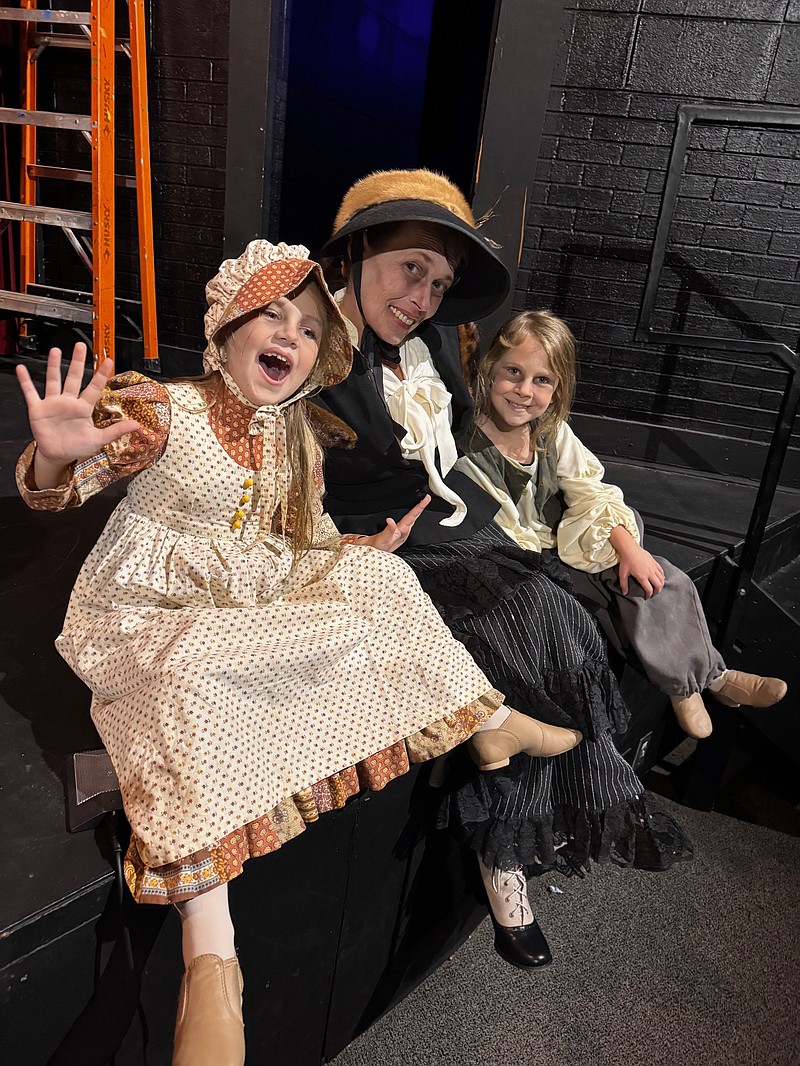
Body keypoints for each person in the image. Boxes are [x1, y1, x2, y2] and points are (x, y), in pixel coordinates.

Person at [15, 240, 539, 1065]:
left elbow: (303, 540)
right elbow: (63, 484)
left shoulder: (296, 435)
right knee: (187, 674)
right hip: (149, 612)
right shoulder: (165, 409)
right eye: (271, 315)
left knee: (384, 583)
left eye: (306, 329)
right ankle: (211, 963)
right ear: (226, 327)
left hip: (252, 595)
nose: (289, 337)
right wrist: (56, 450)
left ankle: (491, 721)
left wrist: (357, 554)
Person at [313, 169, 693, 971]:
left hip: (467, 531)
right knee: (519, 653)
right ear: (357, 253)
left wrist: (574, 500)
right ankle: (505, 865)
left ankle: (581, 801)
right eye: (411, 267)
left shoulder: (432, 348)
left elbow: (498, 432)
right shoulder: (308, 347)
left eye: (440, 282)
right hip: (382, 553)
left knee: (569, 629)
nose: (422, 296)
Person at [456, 309, 787, 740]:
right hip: (519, 556)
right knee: (602, 604)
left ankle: (702, 681)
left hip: (568, 540)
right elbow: (498, 525)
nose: (523, 391)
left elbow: (591, 491)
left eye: (542, 381)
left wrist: (627, 546)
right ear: (489, 370)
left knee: (656, 575)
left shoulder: (550, 432)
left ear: (557, 390)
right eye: (512, 373)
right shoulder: (468, 444)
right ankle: (699, 680)